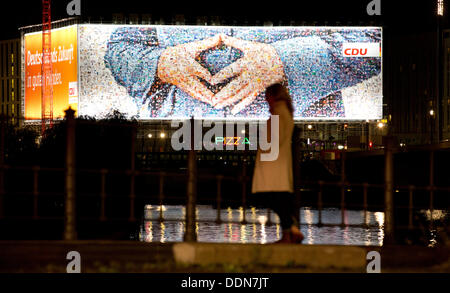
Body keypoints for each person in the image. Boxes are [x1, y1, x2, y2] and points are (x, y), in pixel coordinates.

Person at [103, 27, 381, 119]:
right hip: (179, 139)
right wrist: (161, 63)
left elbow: (372, 47)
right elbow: (117, 49)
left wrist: (285, 61)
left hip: (294, 138)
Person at [251, 83, 304, 244]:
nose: (266, 100)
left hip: (272, 166)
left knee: (269, 197)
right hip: (279, 165)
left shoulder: (278, 114)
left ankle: (290, 230)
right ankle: (290, 231)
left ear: (273, 96)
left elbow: (274, 140)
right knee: (280, 199)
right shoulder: (284, 113)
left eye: (267, 96)